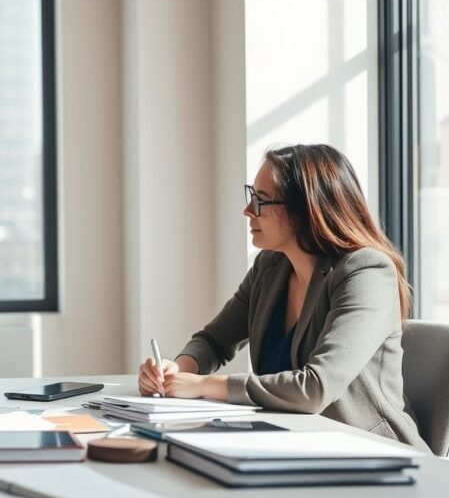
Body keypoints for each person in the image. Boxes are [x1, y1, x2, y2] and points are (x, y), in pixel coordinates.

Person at [138, 143, 428, 451]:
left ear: (306, 210)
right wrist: (178, 370)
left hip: (373, 456)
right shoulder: (271, 266)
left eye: (261, 200)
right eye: (251, 196)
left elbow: (315, 388)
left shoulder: (366, 271)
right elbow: (214, 341)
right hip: (291, 444)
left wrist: (202, 386)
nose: (248, 210)